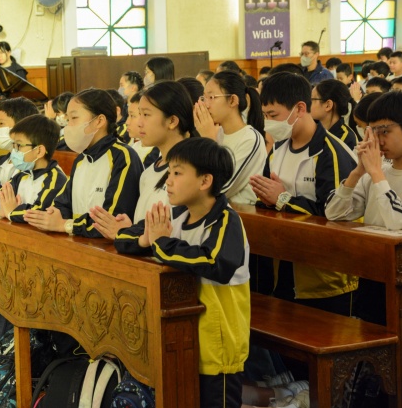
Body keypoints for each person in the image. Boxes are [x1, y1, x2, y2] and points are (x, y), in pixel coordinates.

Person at [115, 137, 250, 408]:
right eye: (168, 173)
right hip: (178, 342)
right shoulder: (175, 215)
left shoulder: (226, 220)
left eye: (177, 173)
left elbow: (215, 262)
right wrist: (145, 240)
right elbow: (123, 237)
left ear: (205, 181)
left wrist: (161, 243)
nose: (168, 181)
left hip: (217, 347)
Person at [249, 72, 358, 317]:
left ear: (299, 108)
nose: (268, 124)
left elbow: (335, 215)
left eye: (273, 115)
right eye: (265, 116)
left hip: (325, 278)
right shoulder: (278, 148)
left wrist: (283, 199)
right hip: (283, 265)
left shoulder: (331, 152)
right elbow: (270, 198)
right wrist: (266, 199)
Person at [326, 91, 402, 325]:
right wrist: (358, 172)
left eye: (385, 131)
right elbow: (334, 213)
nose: (378, 141)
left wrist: (376, 172)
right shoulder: (374, 174)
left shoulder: (382, 174)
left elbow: (397, 219)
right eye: (373, 132)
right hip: (372, 273)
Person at [23, 88, 143, 238]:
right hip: (79, 241)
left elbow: (110, 221)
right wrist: (54, 213)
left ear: (99, 121)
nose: (68, 126)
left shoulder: (123, 156)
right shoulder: (81, 159)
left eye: (74, 118)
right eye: (67, 120)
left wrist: (65, 225)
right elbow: (63, 203)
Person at [90, 80, 196, 240]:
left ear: (172, 121)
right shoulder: (148, 173)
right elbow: (148, 231)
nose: (139, 123)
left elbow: (172, 234)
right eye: (138, 115)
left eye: (146, 115)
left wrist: (128, 234)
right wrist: (130, 228)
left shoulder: (191, 170)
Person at [194, 71, 267, 204]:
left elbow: (221, 189)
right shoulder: (216, 133)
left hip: (239, 213)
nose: (206, 105)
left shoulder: (250, 139)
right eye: (204, 98)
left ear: (232, 100)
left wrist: (209, 142)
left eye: (212, 97)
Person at [0, 115, 67, 222]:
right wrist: (1, 211)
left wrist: (11, 212)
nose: (14, 151)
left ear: (39, 151)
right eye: (14, 145)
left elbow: (38, 211)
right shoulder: (22, 175)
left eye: (19, 145)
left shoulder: (55, 179)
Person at [310, 79, 358, 149]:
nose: (308, 104)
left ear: (328, 105)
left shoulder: (345, 138)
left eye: (312, 99)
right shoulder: (313, 129)